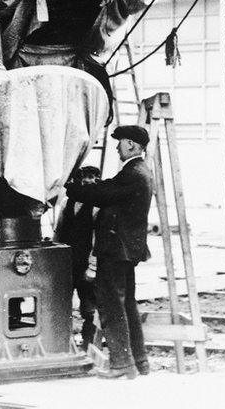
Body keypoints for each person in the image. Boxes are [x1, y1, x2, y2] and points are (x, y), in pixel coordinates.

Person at [65, 125, 154, 379]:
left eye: (120, 142)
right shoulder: (139, 172)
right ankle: (139, 361)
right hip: (126, 251)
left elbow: (103, 193)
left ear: (131, 145)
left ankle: (121, 365)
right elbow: (108, 189)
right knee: (127, 306)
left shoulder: (132, 173)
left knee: (111, 306)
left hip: (115, 251)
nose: (116, 147)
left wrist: (71, 187)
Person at [55, 165, 101, 349]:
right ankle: (63, 342)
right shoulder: (67, 203)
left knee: (89, 306)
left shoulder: (96, 207)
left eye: (92, 177)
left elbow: (98, 239)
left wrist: (92, 267)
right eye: (85, 177)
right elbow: (59, 230)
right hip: (67, 262)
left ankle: (88, 343)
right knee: (62, 304)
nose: (88, 181)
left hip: (85, 263)